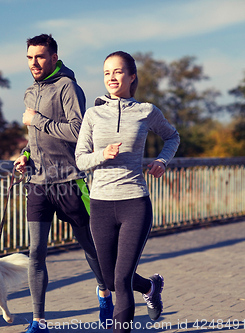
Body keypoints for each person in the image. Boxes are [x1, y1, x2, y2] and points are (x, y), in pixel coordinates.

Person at [75, 51, 180, 333]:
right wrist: (102, 155)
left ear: (131, 77)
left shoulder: (146, 111)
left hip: (134, 201)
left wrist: (161, 160)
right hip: (100, 204)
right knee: (109, 280)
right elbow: (80, 159)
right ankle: (150, 286)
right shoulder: (93, 115)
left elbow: (172, 136)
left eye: (118, 72)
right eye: (107, 72)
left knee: (121, 280)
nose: (111, 77)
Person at [14, 34, 113, 333]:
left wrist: (37, 120)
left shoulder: (67, 87)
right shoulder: (30, 92)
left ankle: (104, 292)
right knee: (36, 253)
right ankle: (39, 320)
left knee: (91, 247)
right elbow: (36, 140)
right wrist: (25, 155)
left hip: (70, 181)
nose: (35, 62)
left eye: (40, 56)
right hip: (38, 184)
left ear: (54, 58)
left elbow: (78, 131)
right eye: (30, 57)